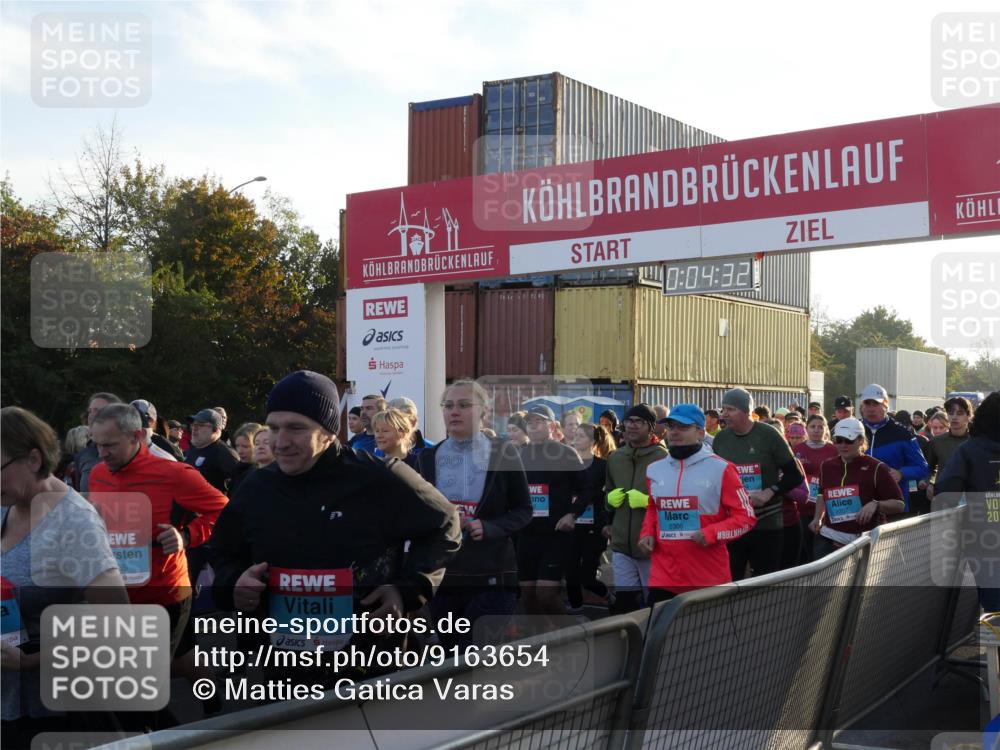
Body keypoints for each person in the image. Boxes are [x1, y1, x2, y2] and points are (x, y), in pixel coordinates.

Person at [210, 371, 460, 678]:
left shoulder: (378, 477)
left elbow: (445, 524)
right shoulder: (256, 487)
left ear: (329, 432)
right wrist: (234, 583)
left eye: (296, 428)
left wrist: (407, 589)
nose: (281, 442)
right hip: (285, 666)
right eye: (274, 427)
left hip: (368, 665)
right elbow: (223, 552)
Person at [1, 407, 129, 750]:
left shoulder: (73, 522)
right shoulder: (6, 502)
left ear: (32, 459)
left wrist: (29, 661)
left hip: (55, 712)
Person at [88, 404, 229, 657]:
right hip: (118, 591)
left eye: (110, 445)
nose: (102, 453)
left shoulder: (175, 473)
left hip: (164, 592)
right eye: (97, 444)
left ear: (137, 436)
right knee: (181, 660)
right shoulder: (98, 474)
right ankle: (212, 696)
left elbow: (226, 512)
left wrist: (186, 536)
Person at [417, 380, 531, 646]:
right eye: (448, 406)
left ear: (484, 412)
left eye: (464, 405)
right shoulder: (426, 458)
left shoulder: (503, 453)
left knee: (475, 657)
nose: (454, 411)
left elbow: (524, 510)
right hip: (445, 577)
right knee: (449, 655)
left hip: (492, 576)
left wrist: (488, 527)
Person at [638, 404, 756, 603]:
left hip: (707, 578)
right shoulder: (654, 470)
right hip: (663, 576)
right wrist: (647, 533)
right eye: (671, 426)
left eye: (683, 427)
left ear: (700, 432)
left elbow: (746, 518)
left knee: (706, 635)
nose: (675, 432)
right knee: (659, 633)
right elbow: (653, 507)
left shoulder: (722, 468)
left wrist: (711, 534)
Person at [713, 388, 803, 580]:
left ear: (746, 411)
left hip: (767, 523)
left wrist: (770, 492)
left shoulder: (768, 435)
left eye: (730, 409)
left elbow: (795, 475)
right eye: (723, 409)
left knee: (764, 583)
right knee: (731, 581)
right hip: (733, 524)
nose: (724, 414)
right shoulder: (721, 439)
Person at [518, 404, 592, 618]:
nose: (533, 426)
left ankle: (571, 636)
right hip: (526, 534)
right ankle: (539, 641)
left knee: (545, 594)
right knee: (528, 596)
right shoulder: (519, 455)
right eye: (529, 422)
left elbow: (587, 489)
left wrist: (573, 514)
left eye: (539, 421)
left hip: (556, 535)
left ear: (552, 426)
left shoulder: (566, 453)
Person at [934, 392, 1000, 610]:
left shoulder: (970, 449)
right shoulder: (969, 449)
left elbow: (945, 493)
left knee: (995, 612)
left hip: (986, 541)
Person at [604, 404, 668, 612]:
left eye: (638, 422)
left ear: (650, 427)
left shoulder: (663, 458)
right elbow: (608, 494)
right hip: (622, 545)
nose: (631, 426)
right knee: (625, 604)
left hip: (651, 546)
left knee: (654, 605)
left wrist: (648, 501)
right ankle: (630, 644)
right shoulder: (615, 458)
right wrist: (608, 501)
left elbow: (674, 500)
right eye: (628, 421)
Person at [810, 418, 904, 558]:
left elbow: (899, 504)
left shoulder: (876, 467)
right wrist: (817, 517)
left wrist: (876, 505)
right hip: (829, 537)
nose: (843, 445)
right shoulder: (826, 466)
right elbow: (821, 494)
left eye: (849, 440)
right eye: (839, 440)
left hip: (864, 541)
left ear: (861, 440)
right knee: (822, 579)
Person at [858, 384, 929, 515]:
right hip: (861, 507)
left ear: (886, 406)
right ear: (862, 406)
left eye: (876, 404)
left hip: (894, 506)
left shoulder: (902, 432)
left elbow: (922, 467)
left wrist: (901, 473)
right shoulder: (855, 429)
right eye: (867, 404)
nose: (871, 409)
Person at [566, 422, 615, 610]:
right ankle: (576, 608)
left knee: (587, 577)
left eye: (581, 436)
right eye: (575, 435)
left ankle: (608, 596)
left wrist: (588, 497)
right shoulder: (567, 465)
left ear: (593, 441)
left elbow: (608, 494)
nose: (576, 439)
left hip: (594, 526)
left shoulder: (602, 466)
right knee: (570, 572)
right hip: (571, 525)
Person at [794, 415, 838, 563]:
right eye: (813, 426)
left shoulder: (833, 450)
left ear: (826, 430)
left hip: (827, 507)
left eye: (820, 427)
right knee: (803, 549)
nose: (816, 430)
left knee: (821, 550)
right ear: (806, 429)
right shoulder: (797, 449)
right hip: (802, 506)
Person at [921, 395, 973, 510]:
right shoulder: (936, 441)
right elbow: (929, 467)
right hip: (943, 498)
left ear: (968, 416)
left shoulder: (977, 442)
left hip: (972, 500)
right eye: (951, 413)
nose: (954, 417)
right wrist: (929, 483)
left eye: (960, 413)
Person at [73, 391, 122, 493]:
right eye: (90, 411)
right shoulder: (84, 455)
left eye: (97, 411)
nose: (91, 415)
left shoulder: (130, 450)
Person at [184, 408, 240, 495]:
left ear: (216, 429)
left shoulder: (225, 454)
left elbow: (238, 490)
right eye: (193, 424)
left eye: (201, 425)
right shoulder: (192, 450)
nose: (194, 428)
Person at [230, 422, 264, 493]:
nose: (240, 451)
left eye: (245, 446)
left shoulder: (261, 473)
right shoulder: (237, 469)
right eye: (237, 446)